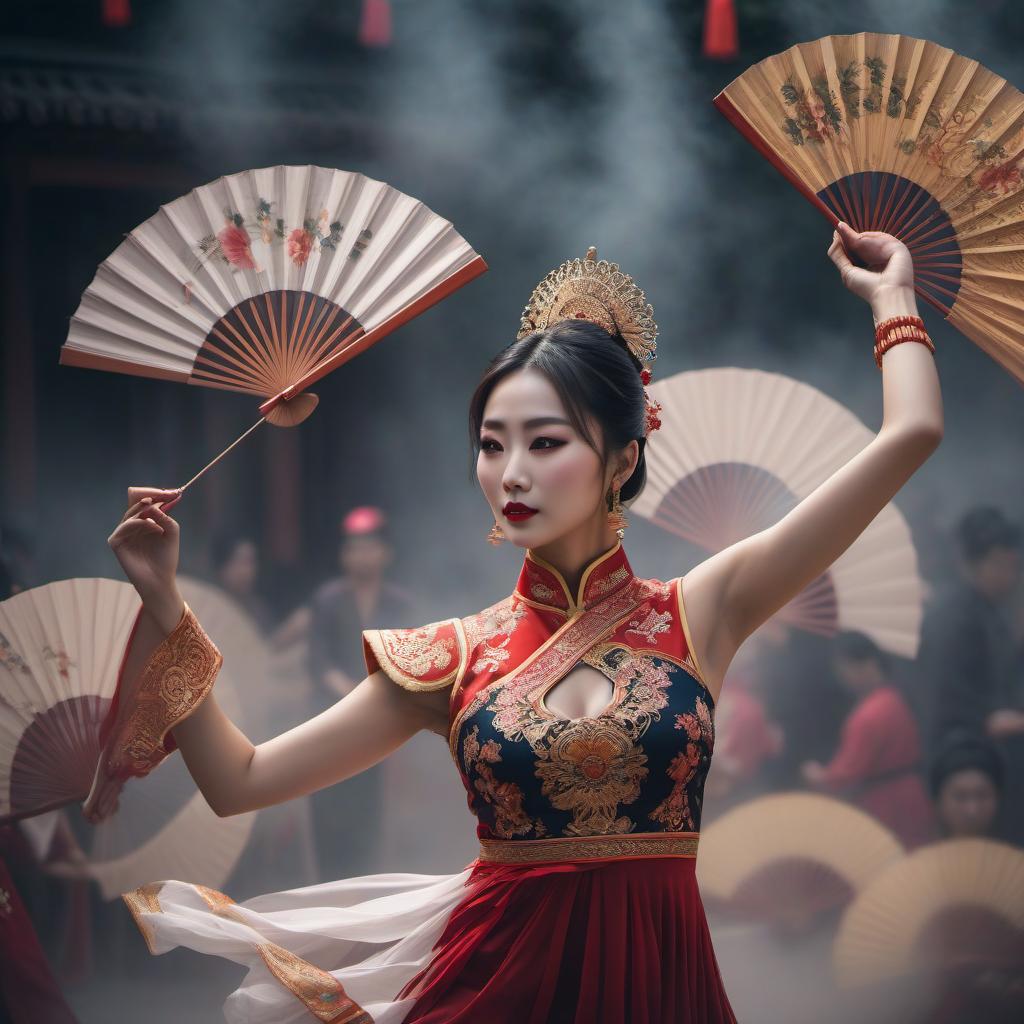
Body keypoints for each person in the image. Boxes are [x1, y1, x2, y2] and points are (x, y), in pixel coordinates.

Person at [85, 226, 943, 1023]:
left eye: (545, 442)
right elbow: (241, 780)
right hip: (493, 989)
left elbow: (911, 433)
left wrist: (891, 297)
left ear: (622, 459)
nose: (510, 473)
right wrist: (167, 603)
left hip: (664, 985)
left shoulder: (701, 611)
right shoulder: (451, 658)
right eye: (492, 445)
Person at [305, 507, 414, 876]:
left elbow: (408, 660)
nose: (361, 555)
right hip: (331, 722)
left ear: (385, 553)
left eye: (369, 547)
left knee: (369, 817)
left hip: (378, 725)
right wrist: (352, 694)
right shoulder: (328, 599)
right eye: (353, 548)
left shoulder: (399, 603)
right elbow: (319, 662)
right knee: (328, 809)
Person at [917, 506, 1024, 844]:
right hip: (965, 762)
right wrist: (990, 719)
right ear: (975, 564)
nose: (1012, 575)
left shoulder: (991, 610)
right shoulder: (954, 616)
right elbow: (947, 694)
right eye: (1003, 565)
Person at [802, 631, 933, 848]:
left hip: (886, 805)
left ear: (862, 666)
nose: (844, 679)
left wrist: (817, 776)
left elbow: (845, 775)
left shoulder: (868, 714)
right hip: (913, 796)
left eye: (844, 670)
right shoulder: (895, 699)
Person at [929, 732, 1005, 841]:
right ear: (938, 801)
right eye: (960, 797)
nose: (972, 810)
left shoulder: (1015, 857)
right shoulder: (920, 858)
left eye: (982, 796)